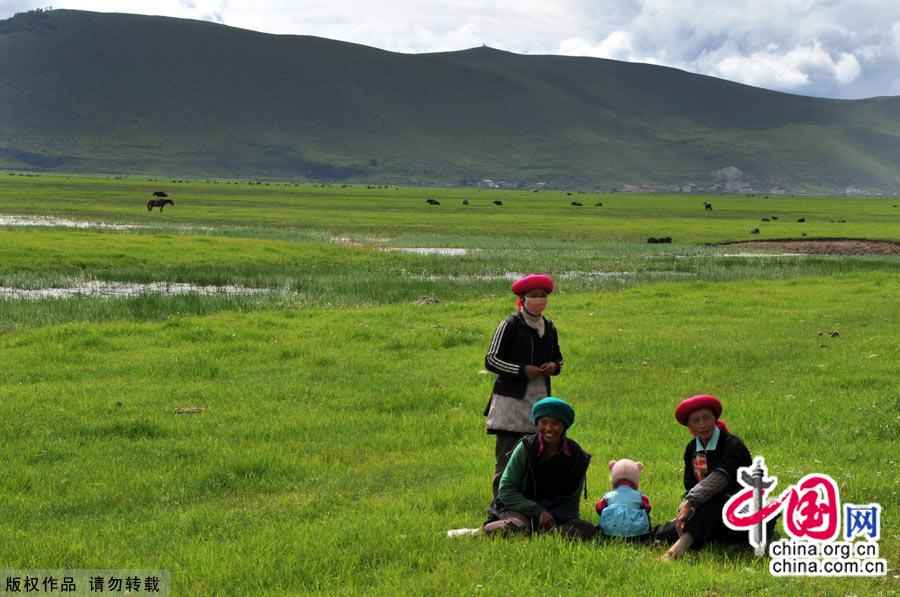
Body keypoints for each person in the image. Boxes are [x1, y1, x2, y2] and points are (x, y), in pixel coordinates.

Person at [483, 273, 563, 498]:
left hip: (539, 401)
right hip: (510, 404)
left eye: (543, 296)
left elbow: (559, 358)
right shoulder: (509, 324)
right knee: (507, 459)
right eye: (534, 296)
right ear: (523, 298)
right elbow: (491, 360)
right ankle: (500, 508)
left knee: (536, 457)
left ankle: (530, 505)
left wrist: (553, 367)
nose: (539, 300)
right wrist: (521, 370)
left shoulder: (549, 326)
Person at [483, 397, 595, 539]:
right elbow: (506, 491)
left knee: (587, 530)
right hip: (519, 510)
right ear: (537, 424)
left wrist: (556, 518)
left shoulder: (577, 456)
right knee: (518, 528)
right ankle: (487, 530)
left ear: (564, 426)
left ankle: (546, 532)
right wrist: (538, 512)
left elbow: (571, 502)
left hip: (555, 513)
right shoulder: (525, 448)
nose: (548, 428)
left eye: (555, 423)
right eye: (543, 422)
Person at [656, 394, 753, 561]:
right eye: (696, 420)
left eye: (706, 418)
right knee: (670, 530)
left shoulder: (732, 444)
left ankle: (676, 551)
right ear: (689, 426)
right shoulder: (691, 449)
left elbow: (721, 478)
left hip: (742, 513)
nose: (702, 424)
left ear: (714, 418)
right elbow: (690, 485)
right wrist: (684, 510)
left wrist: (690, 502)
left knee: (716, 499)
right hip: (707, 514)